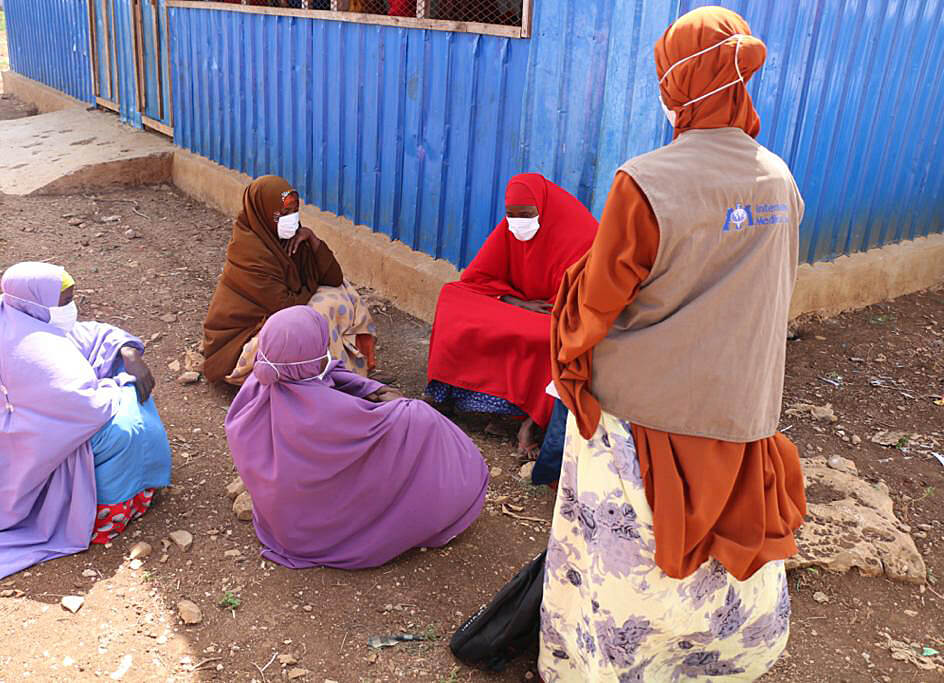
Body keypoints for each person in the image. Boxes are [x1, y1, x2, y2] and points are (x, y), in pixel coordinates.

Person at [539, 7, 807, 681]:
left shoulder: (646, 181)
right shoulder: (779, 180)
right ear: (738, 80)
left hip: (644, 425)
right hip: (742, 416)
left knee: (622, 574)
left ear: (678, 88)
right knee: (717, 583)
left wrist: (568, 358)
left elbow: (598, 300)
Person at [0, 262, 172, 579]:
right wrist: (121, 384)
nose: (71, 308)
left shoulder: (18, 317)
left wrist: (129, 354)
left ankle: (137, 487)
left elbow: (91, 334)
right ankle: (105, 514)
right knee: (123, 426)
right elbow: (87, 408)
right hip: (22, 447)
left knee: (124, 376)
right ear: (36, 303)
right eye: (65, 301)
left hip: (44, 425)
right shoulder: (32, 351)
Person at [225, 305, 488, 569]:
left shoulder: (257, 389)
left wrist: (372, 388)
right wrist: (403, 407)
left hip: (287, 528)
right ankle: (448, 504)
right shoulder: (329, 414)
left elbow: (328, 373)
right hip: (324, 537)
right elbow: (371, 420)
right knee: (421, 421)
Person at [426, 173, 596, 455]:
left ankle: (529, 421)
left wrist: (536, 307)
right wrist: (514, 301)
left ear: (543, 209)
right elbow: (477, 277)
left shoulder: (580, 233)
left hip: (555, 314)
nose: (518, 223)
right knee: (452, 296)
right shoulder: (511, 228)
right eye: (510, 215)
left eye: (526, 215)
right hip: (519, 306)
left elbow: (582, 301)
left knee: (552, 338)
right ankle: (446, 394)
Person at [202, 175, 376, 385]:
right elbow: (285, 307)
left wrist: (313, 240)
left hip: (277, 317)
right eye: (283, 214)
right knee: (315, 314)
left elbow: (333, 277)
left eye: (294, 211)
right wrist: (312, 284)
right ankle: (309, 381)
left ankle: (339, 372)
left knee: (342, 291)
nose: (291, 218)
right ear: (263, 213)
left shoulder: (290, 238)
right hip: (239, 343)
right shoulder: (248, 252)